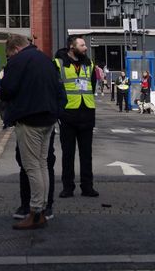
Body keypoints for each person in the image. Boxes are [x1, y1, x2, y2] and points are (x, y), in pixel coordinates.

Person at [0, 34, 66, 230]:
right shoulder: (46, 59)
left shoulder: (18, 61)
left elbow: (7, 89)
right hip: (49, 119)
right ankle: (44, 207)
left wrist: (2, 93)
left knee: (31, 166)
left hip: (29, 119)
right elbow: (59, 91)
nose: (9, 58)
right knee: (43, 164)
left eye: (9, 55)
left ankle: (35, 212)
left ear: (15, 49)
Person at [56, 35, 98, 198]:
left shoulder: (89, 64)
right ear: (72, 47)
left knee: (86, 154)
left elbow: (92, 86)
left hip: (87, 112)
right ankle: (68, 187)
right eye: (82, 45)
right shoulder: (58, 63)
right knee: (68, 154)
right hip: (68, 114)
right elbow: (55, 88)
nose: (86, 47)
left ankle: (87, 187)